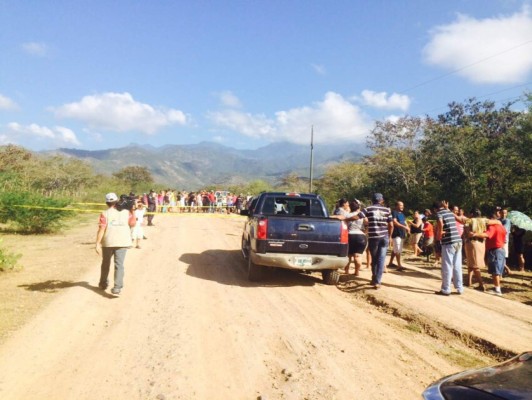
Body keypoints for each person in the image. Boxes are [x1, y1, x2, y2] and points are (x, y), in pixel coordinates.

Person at [95, 193, 136, 296]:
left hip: (108, 242)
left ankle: (103, 283)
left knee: (105, 264)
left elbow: (101, 229)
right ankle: (117, 287)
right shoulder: (127, 212)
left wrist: (97, 243)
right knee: (119, 265)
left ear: (106, 203)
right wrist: (132, 210)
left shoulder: (105, 213)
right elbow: (133, 224)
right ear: (117, 201)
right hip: (122, 242)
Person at [351, 193, 393, 289]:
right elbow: (391, 225)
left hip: (374, 238)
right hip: (384, 237)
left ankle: (375, 279)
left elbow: (357, 217)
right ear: (381, 200)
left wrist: (345, 219)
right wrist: (390, 236)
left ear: (372, 200)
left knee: (374, 259)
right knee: (381, 259)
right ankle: (377, 281)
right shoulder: (387, 210)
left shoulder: (368, 209)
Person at [433, 200, 463, 296]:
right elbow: (460, 220)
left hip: (449, 242)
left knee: (447, 266)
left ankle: (446, 289)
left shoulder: (439, 213)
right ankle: (459, 288)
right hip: (458, 240)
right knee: (457, 265)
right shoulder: (449, 212)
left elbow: (441, 223)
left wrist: (439, 235)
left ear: (435, 209)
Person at [475, 208, 507, 296]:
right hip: (501, 249)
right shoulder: (502, 227)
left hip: (494, 249)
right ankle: (497, 287)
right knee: (498, 270)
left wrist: (474, 234)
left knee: (495, 270)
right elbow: (504, 239)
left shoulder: (493, 227)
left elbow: (487, 235)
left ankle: (497, 290)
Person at [463, 208, 486, 291]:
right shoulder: (483, 221)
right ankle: (469, 281)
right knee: (471, 263)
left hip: (472, 243)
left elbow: (468, 233)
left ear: (472, 214)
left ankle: (481, 284)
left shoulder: (469, 221)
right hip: (481, 243)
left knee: (474, 264)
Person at [344, 200, 367, 276]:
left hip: (350, 235)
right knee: (358, 256)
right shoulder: (362, 216)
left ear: (350, 207)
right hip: (361, 236)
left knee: (348, 255)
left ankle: (346, 270)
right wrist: (365, 232)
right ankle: (357, 271)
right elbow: (367, 223)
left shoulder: (347, 215)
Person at [388, 201, 409, 271]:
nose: (402, 206)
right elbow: (394, 222)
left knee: (395, 249)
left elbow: (405, 222)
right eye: (400, 205)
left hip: (402, 233)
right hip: (396, 233)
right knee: (398, 249)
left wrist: (408, 227)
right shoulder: (394, 213)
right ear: (396, 206)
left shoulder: (402, 214)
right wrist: (405, 227)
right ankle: (399, 265)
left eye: (402, 205)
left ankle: (390, 262)